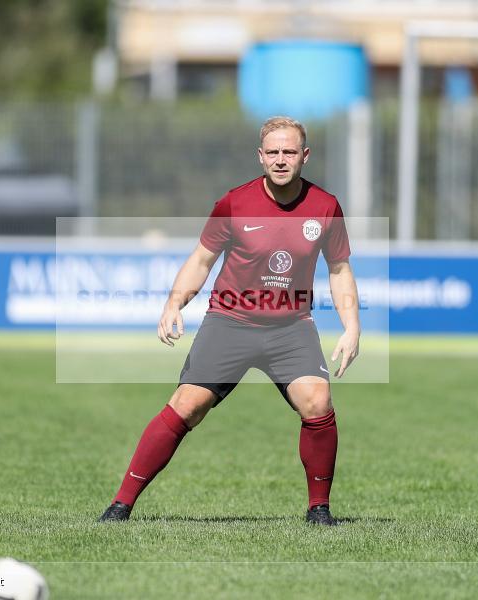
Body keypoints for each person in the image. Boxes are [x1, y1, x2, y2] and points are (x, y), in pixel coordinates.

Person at [99, 116, 360, 525]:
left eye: (289, 151)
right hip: (229, 322)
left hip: (291, 328)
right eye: (272, 152)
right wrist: (173, 304)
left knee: (318, 401)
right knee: (187, 406)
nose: (280, 160)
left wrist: (352, 327)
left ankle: (319, 509)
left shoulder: (326, 207)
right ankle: (121, 504)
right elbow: (202, 260)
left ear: (304, 156)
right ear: (260, 156)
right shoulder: (234, 203)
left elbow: (340, 269)